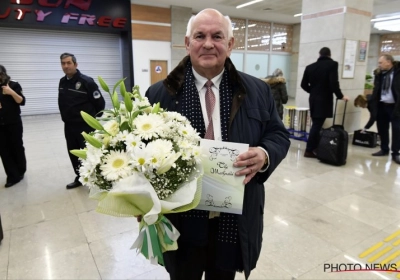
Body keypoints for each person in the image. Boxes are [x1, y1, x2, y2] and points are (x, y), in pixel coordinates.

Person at [145, 8, 290, 280]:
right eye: (199, 36)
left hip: (234, 220)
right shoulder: (159, 94)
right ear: (188, 43)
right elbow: (141, 154)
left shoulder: (257, 91)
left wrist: (264, 153)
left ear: (230, 44)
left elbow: (278, 134)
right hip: (181, 221)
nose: (208, 43)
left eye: (217, 36)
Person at [58, 53, 105, 189]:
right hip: (69, 126)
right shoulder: (62, 81)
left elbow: (100, 104)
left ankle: (97, 180)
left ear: (75, 64)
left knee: (90, 153)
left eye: (68, 63)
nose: (66, 66)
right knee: (74, 152)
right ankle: (80, 177)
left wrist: (91, 119)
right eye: (63, 63)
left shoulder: (87, 82)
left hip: (85, 126)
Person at [301, 47, 349, 158]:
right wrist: (340, 96)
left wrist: (313, 91)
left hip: (313, 99)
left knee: (316, 124)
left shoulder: (310, 67)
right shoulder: (332, 65)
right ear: (329, 55)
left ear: (319, 54)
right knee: (317, 125)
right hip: (324, 99)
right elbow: (334, 82)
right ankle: (309, 150)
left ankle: (315, 147)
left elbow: (303, 85)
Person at [369, 54, 400, 164]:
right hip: (382, 105)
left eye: (381, 62)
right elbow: (376, 89)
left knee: (397, 130)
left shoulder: (397, 73)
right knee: (382, 128)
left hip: (395, 106)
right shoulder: (379, 74)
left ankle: (395, 153)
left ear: (389, 62)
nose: (379, 65)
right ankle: (384, 149)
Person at [0, 65, 26, 188]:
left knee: (17, 147)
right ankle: (12, 175)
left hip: (14, 123)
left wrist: (10, 92)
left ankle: (21, 170)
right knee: (4, 151)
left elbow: (22, 101)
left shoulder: (14, 84)